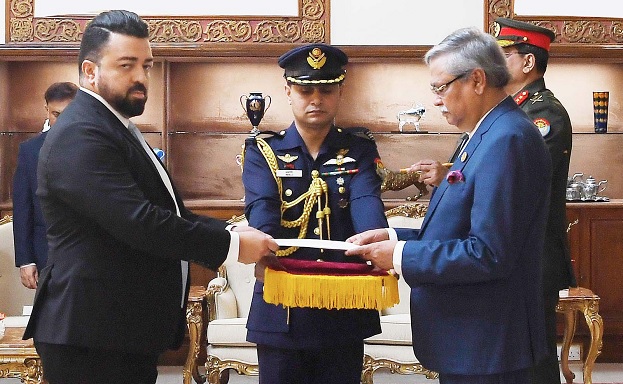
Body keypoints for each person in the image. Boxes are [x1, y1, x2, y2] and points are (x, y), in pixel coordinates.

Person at [22, 10, 278, 384]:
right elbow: (139, 222)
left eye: (146, 65)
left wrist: (236, 233)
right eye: (127, 65)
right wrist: (233, 245)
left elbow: (169, 213)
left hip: (117, 330)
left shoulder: (114, 126)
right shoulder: (82, 133)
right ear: (90, 71)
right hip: (90, 335)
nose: (141, 77)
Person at [345, 27, 551, 384]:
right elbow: (462, 228)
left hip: (489, 345)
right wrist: (394, 234)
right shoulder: (484, 134)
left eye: (440, 87)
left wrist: (399, 255)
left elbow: (488, 253)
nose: (436, 100)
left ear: (476, 80)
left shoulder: (507, 139)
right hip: (473, 340)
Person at [242, 43, 388, 383]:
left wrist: (377, 240)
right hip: (284, 303)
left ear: (340, 91)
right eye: (305, 90)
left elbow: (367, 201)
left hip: (344, 304)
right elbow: (261, 210)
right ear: (288, 91)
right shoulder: (264, 150)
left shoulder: (359, 149)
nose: (316, 99)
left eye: (326, 90)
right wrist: (264, 246)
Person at [495, 17, 577, 384]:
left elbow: (520, 178)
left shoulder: (543, 112)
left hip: (535, 253)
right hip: (514, 250)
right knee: (514, 352)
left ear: (528, 62)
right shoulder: (510, 109)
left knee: (534, 358)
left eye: (504, 55)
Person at [13, 81, 78, 289]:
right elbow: (23, 209)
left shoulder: (96, 147)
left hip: (90, 255)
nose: (61, 122)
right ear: (46, 110)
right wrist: (26, 260)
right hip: (46, 256)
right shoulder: (29, 152)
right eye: (56, 114)